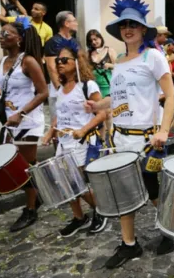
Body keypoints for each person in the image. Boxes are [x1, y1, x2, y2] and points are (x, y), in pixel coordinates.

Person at [84, 0, 174, 268]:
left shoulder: (154, 57)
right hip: (120, 137)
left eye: (133, 24)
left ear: (143, 30)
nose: (128, 28)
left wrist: (164, 129)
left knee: (153, 190)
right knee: (123, 190)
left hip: (147, 139)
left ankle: (170, 230)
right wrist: (98, 104)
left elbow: (170, 96)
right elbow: (119, 96)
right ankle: (129, 244)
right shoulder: (121, 60)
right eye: (123, 24)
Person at [42, 41, 108, 236]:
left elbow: (102, 113)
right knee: (66, 183)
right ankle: (79, 217)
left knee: (77, 182)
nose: (60, 63)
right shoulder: (61, 88)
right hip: (63, 142)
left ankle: (100, 210)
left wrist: (83, 130)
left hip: (81, 141)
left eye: (64, 60)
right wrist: (50, 133)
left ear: (77, 62)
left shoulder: (87, 85)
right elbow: (59, 115)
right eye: (58, 61)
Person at [0, 18, 48, 232]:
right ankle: (38, 196)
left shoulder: (29, 61)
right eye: (0, 34)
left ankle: (31, 209)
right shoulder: (1, 61)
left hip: (28, 121)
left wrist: (21, 112)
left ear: (19, 39)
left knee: (23, 167)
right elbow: (6, 90)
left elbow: (43, 92)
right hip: (10, 121)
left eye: (6, 34)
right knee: (26, 166)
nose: (1, 38)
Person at [44, 11, 79, 143]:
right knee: (58, 123)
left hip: (76, 87)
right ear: (66, 23)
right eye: (74, 20)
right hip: (58, 89)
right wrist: (60, 89)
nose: (76, 23)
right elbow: (52, 67)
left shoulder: (76, 42)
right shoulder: (52, 42)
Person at [86, 29, 117, 97]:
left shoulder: (109, 50)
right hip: (94, 88)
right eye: (91, 41)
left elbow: (119, 66)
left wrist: (109, 65)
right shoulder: (88, 53)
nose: (93, 42)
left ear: (100, 37)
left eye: (95, 39)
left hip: (108, 86)